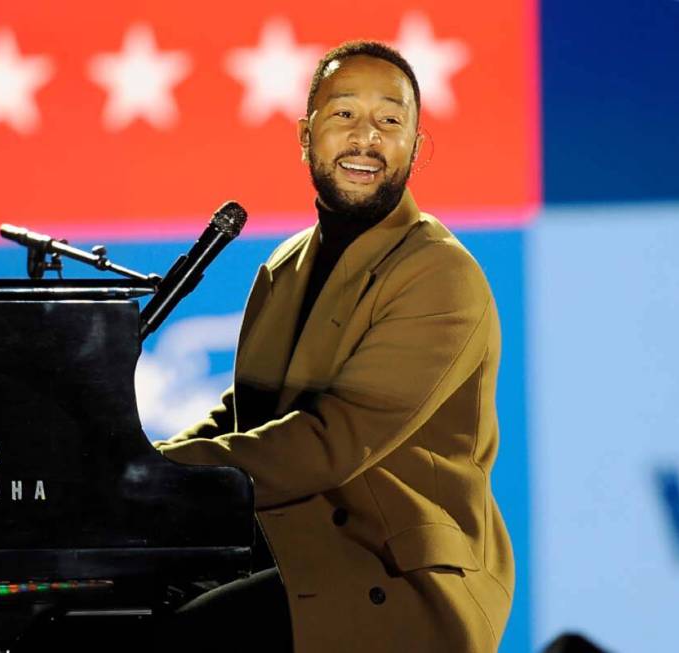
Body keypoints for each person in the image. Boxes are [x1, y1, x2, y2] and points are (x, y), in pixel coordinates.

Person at [154, 40, 514, 653]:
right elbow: (248, 411)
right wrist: (136, 464)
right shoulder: (285, 263)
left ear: (417, 149)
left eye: (390, 120)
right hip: (291, 550)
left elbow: (329, 440)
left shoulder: (441, 274)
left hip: (391, 579)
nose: (365, 137)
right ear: (305, 134)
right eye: (344, 113)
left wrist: (156, 480)